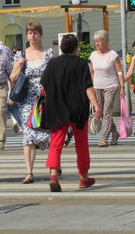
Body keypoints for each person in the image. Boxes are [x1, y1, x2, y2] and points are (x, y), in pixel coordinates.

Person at [41, 34, 102, 192]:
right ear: (76, 48)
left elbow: (44, 85)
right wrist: (96, 105)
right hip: (78, 109)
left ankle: (53, 175)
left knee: (56, 143)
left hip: (57, 108)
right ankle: (83, 178)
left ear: (61, 47)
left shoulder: (53, 63)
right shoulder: (81, 63)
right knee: (81, 144)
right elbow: (88, 86)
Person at [10, 21, 54, 184]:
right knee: (28, 136)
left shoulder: (48, 53)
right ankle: (29, 172)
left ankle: (53, 167)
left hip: (45, 98)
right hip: (27, 99)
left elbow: (55, 75)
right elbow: (12, 79)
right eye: (29, 33)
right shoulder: (20, 55)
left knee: (48, 134)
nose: (32, 36)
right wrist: (19, 66)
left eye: (35, 33)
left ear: (40, 34)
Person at [89, 30, 125, 147]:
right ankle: (114, 133)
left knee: (107, 112)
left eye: (99, 41)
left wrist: (122, 87)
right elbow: (92, 71)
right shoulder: (93, 55)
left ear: (106, 41)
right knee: (101, 112)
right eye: (95, 42)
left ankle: (104, 138)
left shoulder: (113, 54)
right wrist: (91, 86)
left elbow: (119, 71)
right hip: (97, 86)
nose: (97, 44)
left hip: (111, 86)